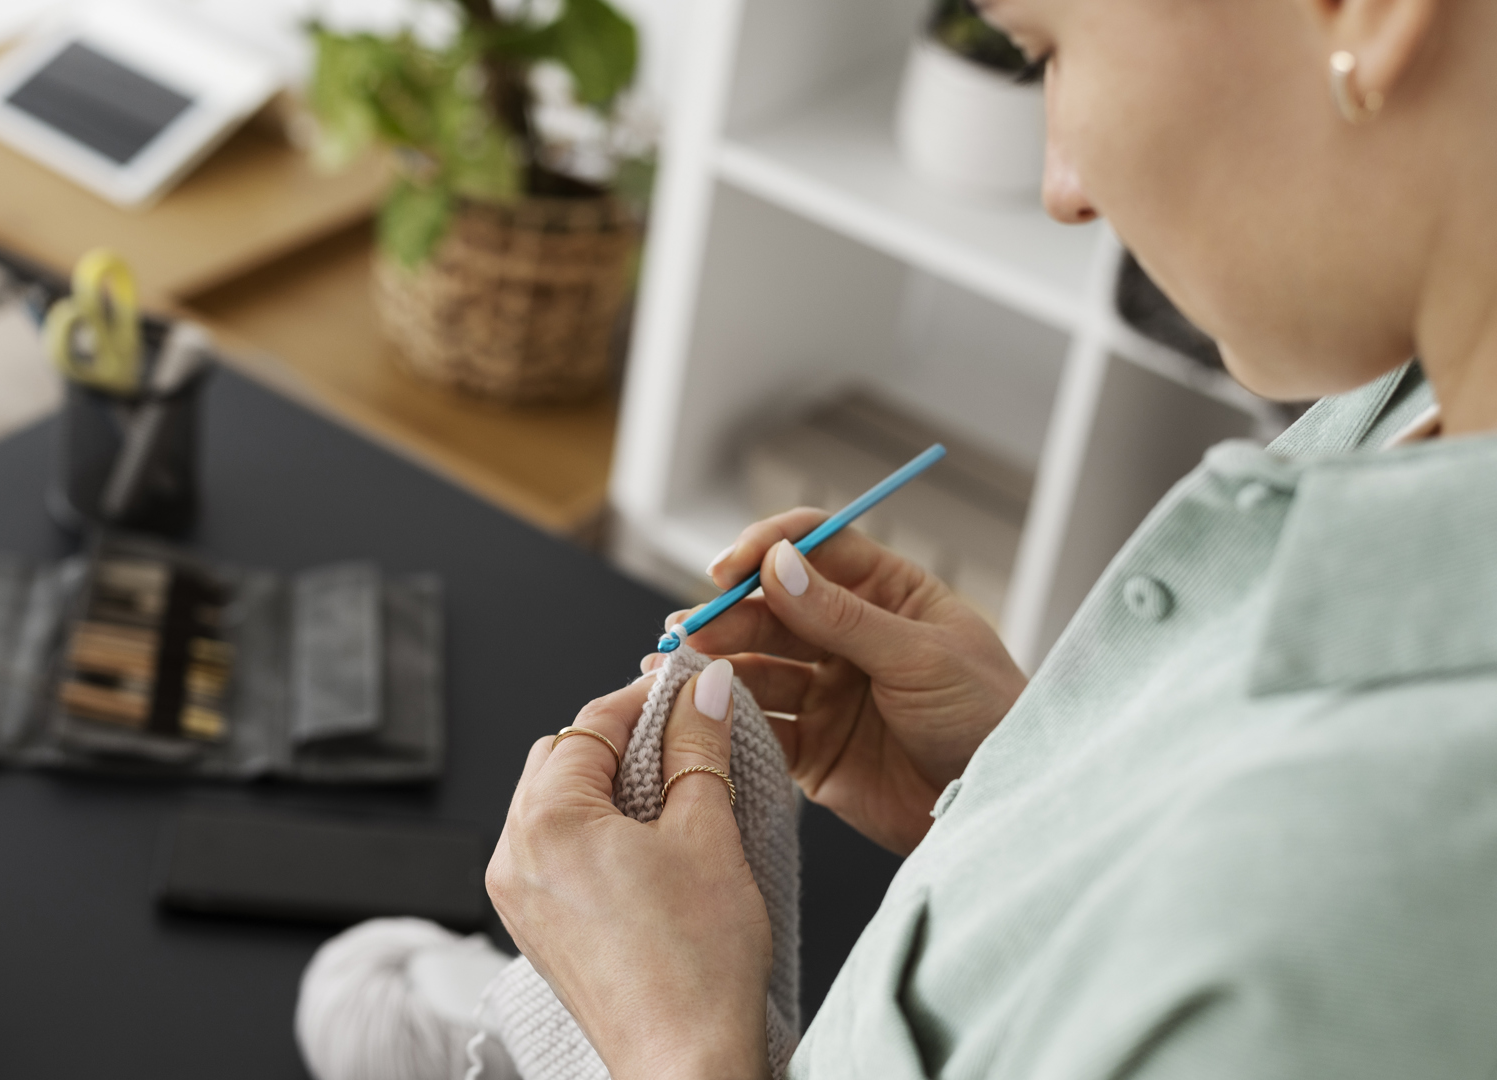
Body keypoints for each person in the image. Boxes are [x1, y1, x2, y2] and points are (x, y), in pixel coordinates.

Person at [484, 0, 1497, 1075]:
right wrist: (1028, 796)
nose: (1065, 191)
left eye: (1043, 54)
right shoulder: (1421, 396)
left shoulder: (1374, 915)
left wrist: (669, 1038)